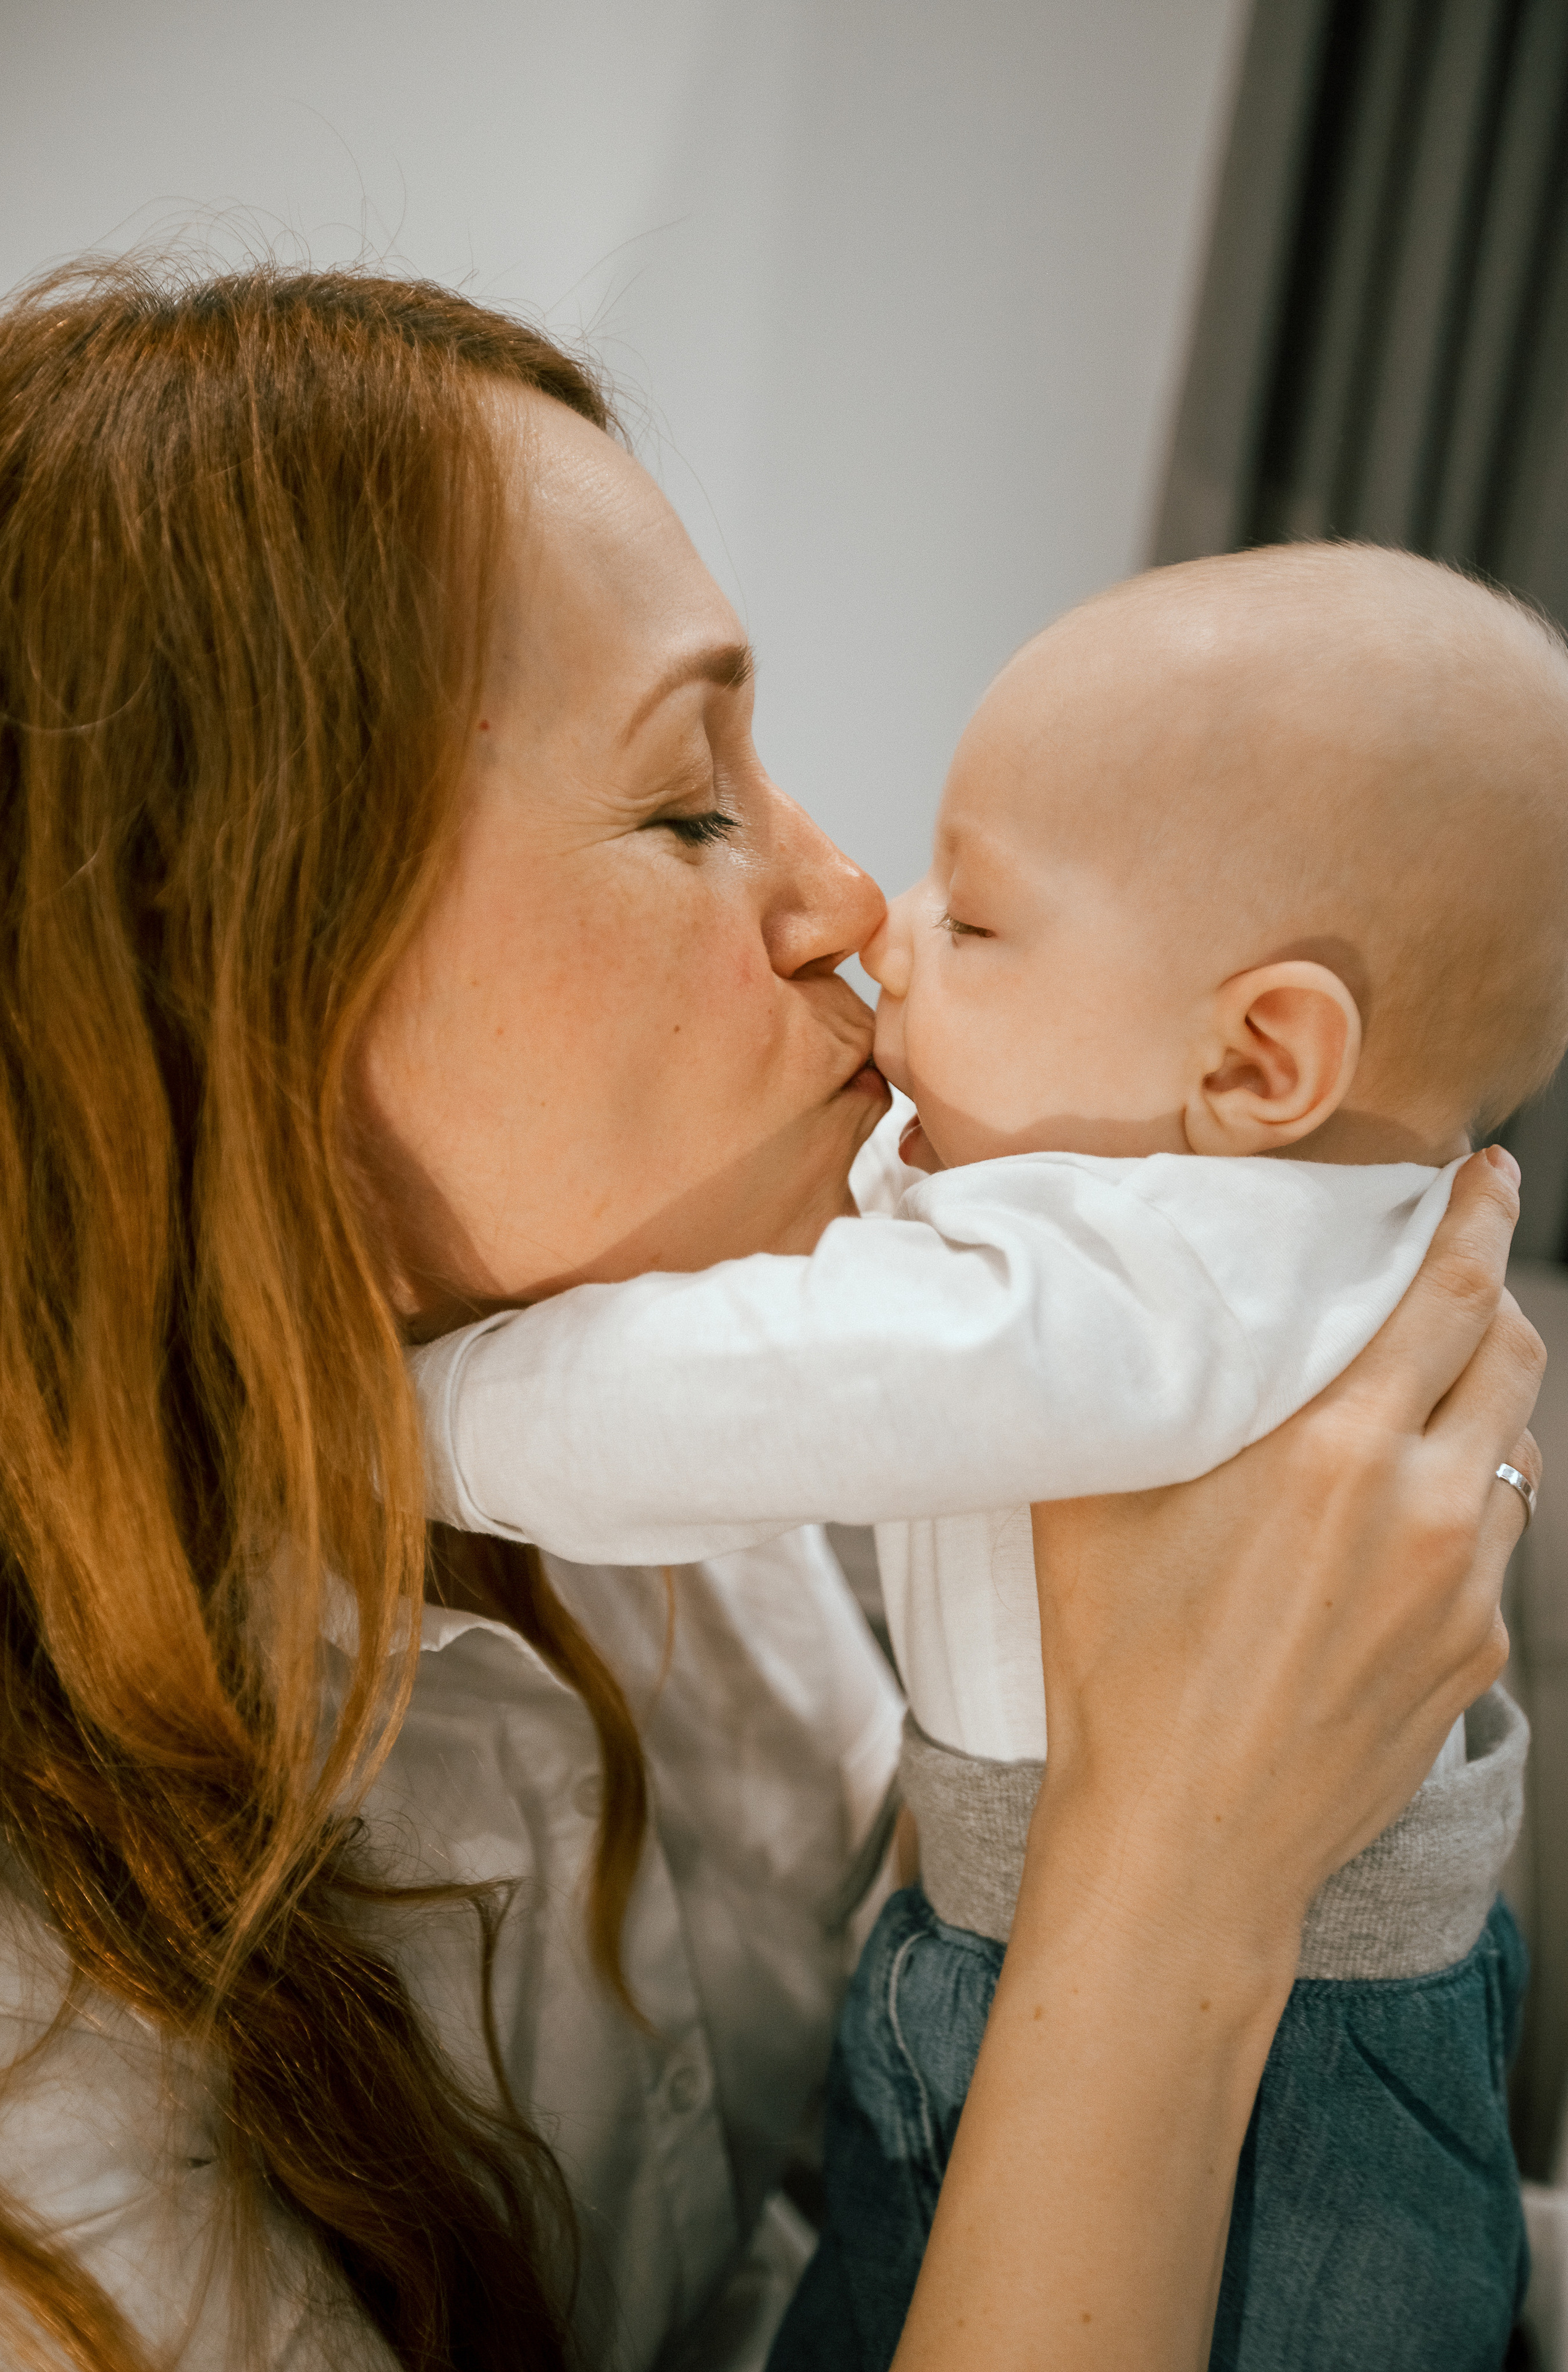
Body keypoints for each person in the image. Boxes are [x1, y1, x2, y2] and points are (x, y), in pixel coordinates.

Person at [0, 258, 1539, 2372]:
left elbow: (848, 2178)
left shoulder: (664, 1480)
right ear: (229, 1003)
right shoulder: (35, 2081)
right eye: (687, 806)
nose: (840, 905)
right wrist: (1174, 1872)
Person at [411, 541, 1561, 2367]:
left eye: (981, 918)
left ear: (1263, 1058)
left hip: (1271, 2079)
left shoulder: (1172, 1278)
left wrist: (415, 1419)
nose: (880, 913)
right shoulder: (1225, 1230)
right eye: (688, 808)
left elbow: (765, 1385)